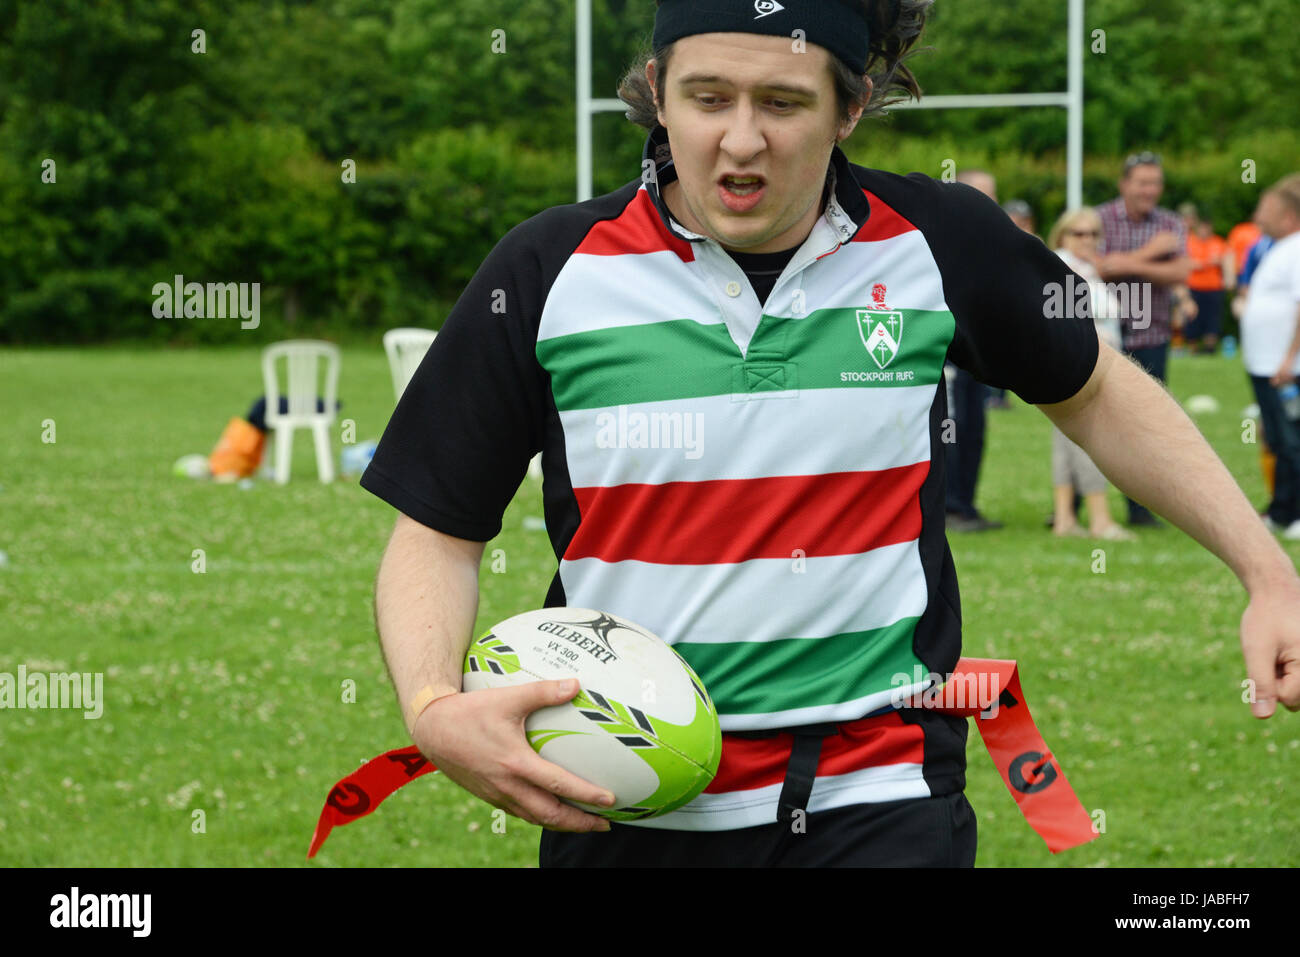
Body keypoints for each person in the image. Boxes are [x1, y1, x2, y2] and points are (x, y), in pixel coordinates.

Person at [361, 0, 1300, 869]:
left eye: (783, 102)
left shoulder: (941, 240)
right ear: (656, 90)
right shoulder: (545, 268)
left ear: (850, 109)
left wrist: (1268, 573)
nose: (740, 138)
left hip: (882, 795)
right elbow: (440, 525)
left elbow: (1098, 395)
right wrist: (433, 704)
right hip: (620, 801)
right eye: (706, 97)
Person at [1095, 152, 1192, 526]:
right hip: (1105, 335)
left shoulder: (1170, 222)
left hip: (1152, 334)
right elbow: (1098, 267)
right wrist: (1152, 255)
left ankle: (1142, 508)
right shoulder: (1100, 219)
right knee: (1099, 419)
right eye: (1142, 182)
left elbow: (1183, 270)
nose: (1149, 190)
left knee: (1150, 424)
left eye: (1155, 183)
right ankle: (1080, 505)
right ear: (1124, 184)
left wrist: (1127, 263)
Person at [1046, 208, 1135, 541]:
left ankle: (1065, 518)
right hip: (1080, 363)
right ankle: (1099, 518)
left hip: (1078, 362)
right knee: (1090, 437)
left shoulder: (1083, 269)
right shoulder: (1065, 266)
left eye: (1093, 233)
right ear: (1063, 235)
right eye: (1078, 233)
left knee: (1067, 440)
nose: (1087, 240)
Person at [943, 168, 1005, 529]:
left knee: (975, 427)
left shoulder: (991, 243)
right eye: (981, 193)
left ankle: (966, 504)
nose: (990, 201)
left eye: (992, 193)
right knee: (953, 424)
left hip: (977, 354)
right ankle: (950, 507)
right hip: (949, 354)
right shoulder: (937, 238)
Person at [1240, 174, 1300, 540]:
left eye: (1266, 211)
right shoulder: (1273, 247)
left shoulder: (1296, 248)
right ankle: (1280, 509)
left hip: (1283, 368)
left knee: (1292, 439)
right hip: (1264, 363)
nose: (1258, 216)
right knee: (1277, 439)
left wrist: (1288, 361)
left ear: (1289, 218)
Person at [1178, 202, 1232, 355]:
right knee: (1193, 318)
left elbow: (1227, 261)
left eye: (1207, 227)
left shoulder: (1219, 242)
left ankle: (1210, 348)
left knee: (1212, 319)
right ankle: (1193, 348)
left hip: (1214, 288)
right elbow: (1188, 263)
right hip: (1194, 286)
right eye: (1202, 227)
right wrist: (1207, 262)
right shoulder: (1189, 242)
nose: (1204, 230)